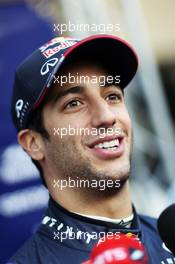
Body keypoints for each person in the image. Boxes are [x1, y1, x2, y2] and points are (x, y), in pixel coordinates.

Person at [9, 35, 174, 264]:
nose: (106, 116)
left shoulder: (169, 238)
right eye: (74, 103)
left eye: (112, 96)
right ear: (33, 143)